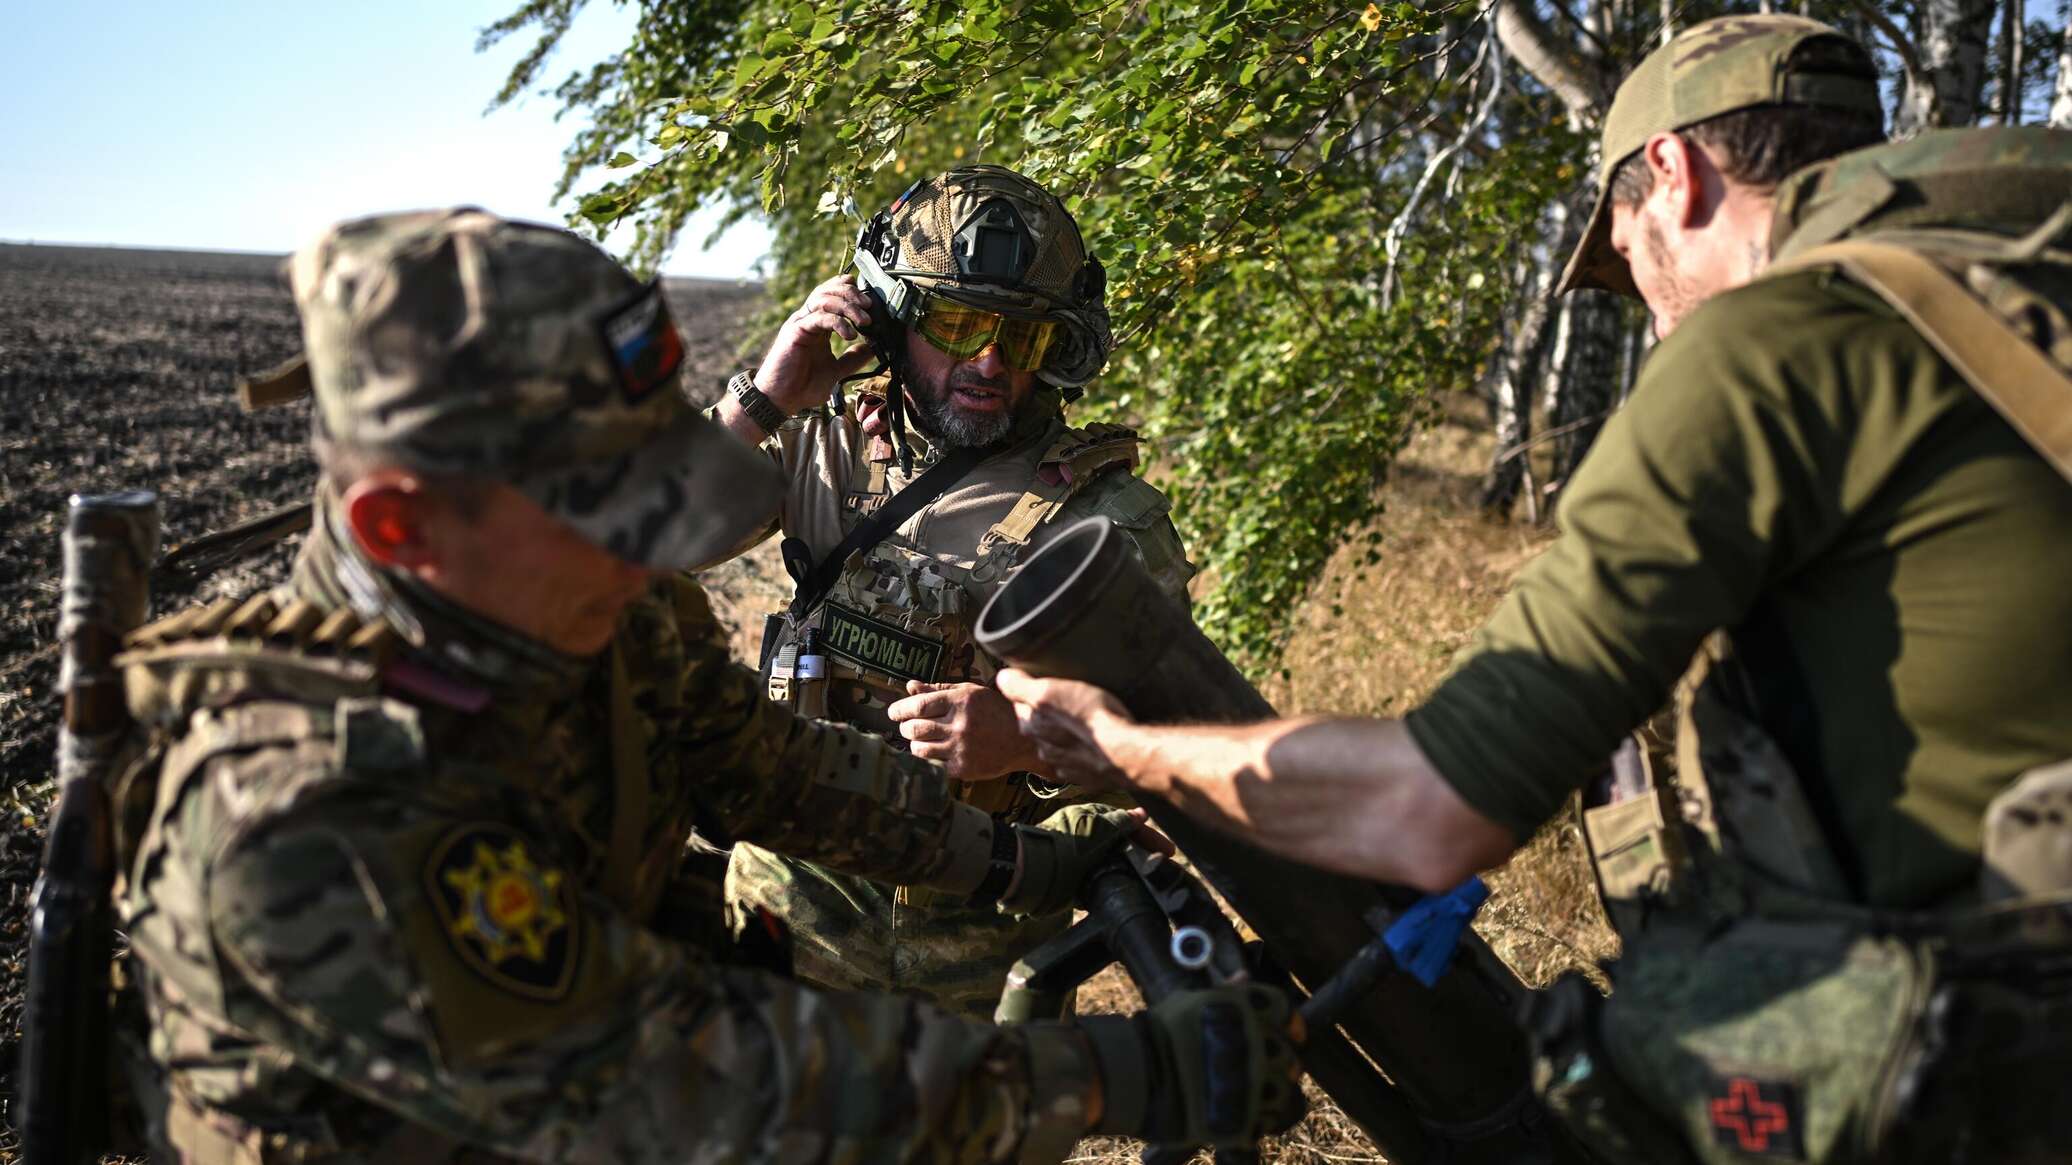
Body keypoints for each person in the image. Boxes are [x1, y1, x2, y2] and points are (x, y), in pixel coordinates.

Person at [998, 16, 2072, 1164]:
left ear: (1674, 172)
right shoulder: (2022, 290)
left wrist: (1130, 751)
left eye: (1624, 256)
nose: (1653, 311)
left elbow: (1431, 807)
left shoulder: (1783, 337)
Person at [111, 208, 1303, 1163]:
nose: (649, 554)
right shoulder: (307, 808)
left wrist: (1024, 864)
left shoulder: (586, 613)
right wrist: (1118, 1077)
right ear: (402, 525)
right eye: (609, 513)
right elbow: (682, 1076)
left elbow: (774, 768)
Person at [712, 165, 1197, 1020]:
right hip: (786, 921)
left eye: (1023, 336)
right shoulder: (818, 449)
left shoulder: (1105, 521)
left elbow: (1173, 747)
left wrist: (1027, 742)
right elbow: (636, 546)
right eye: (959, 322)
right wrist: (763, 399)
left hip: (980, 960)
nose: (989, 361)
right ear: (894, 318)